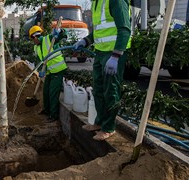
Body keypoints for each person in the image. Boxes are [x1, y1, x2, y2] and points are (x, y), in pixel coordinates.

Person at [74, 0, 131, 141]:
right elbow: (99, 31)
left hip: (113, 53)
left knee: (111, 90)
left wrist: (116, 55)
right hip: (100, 52)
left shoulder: (116, 1)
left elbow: (124, 29)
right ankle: (99, 122)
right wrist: (86, 40)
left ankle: (108, 127)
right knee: (98, 89)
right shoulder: (97, 3)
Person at [29, 25, 68, 122]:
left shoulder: (50, 39)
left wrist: (60, 31)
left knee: (53, 93)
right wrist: (41, 71)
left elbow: (63, 35)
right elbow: (41, 61)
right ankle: (46, 110)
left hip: (58, 70)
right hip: (50, 71)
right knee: (45, 91)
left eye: (32, 39)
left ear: (36, 37)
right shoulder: (36, 47)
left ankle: (53, 115)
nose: (32, 41)